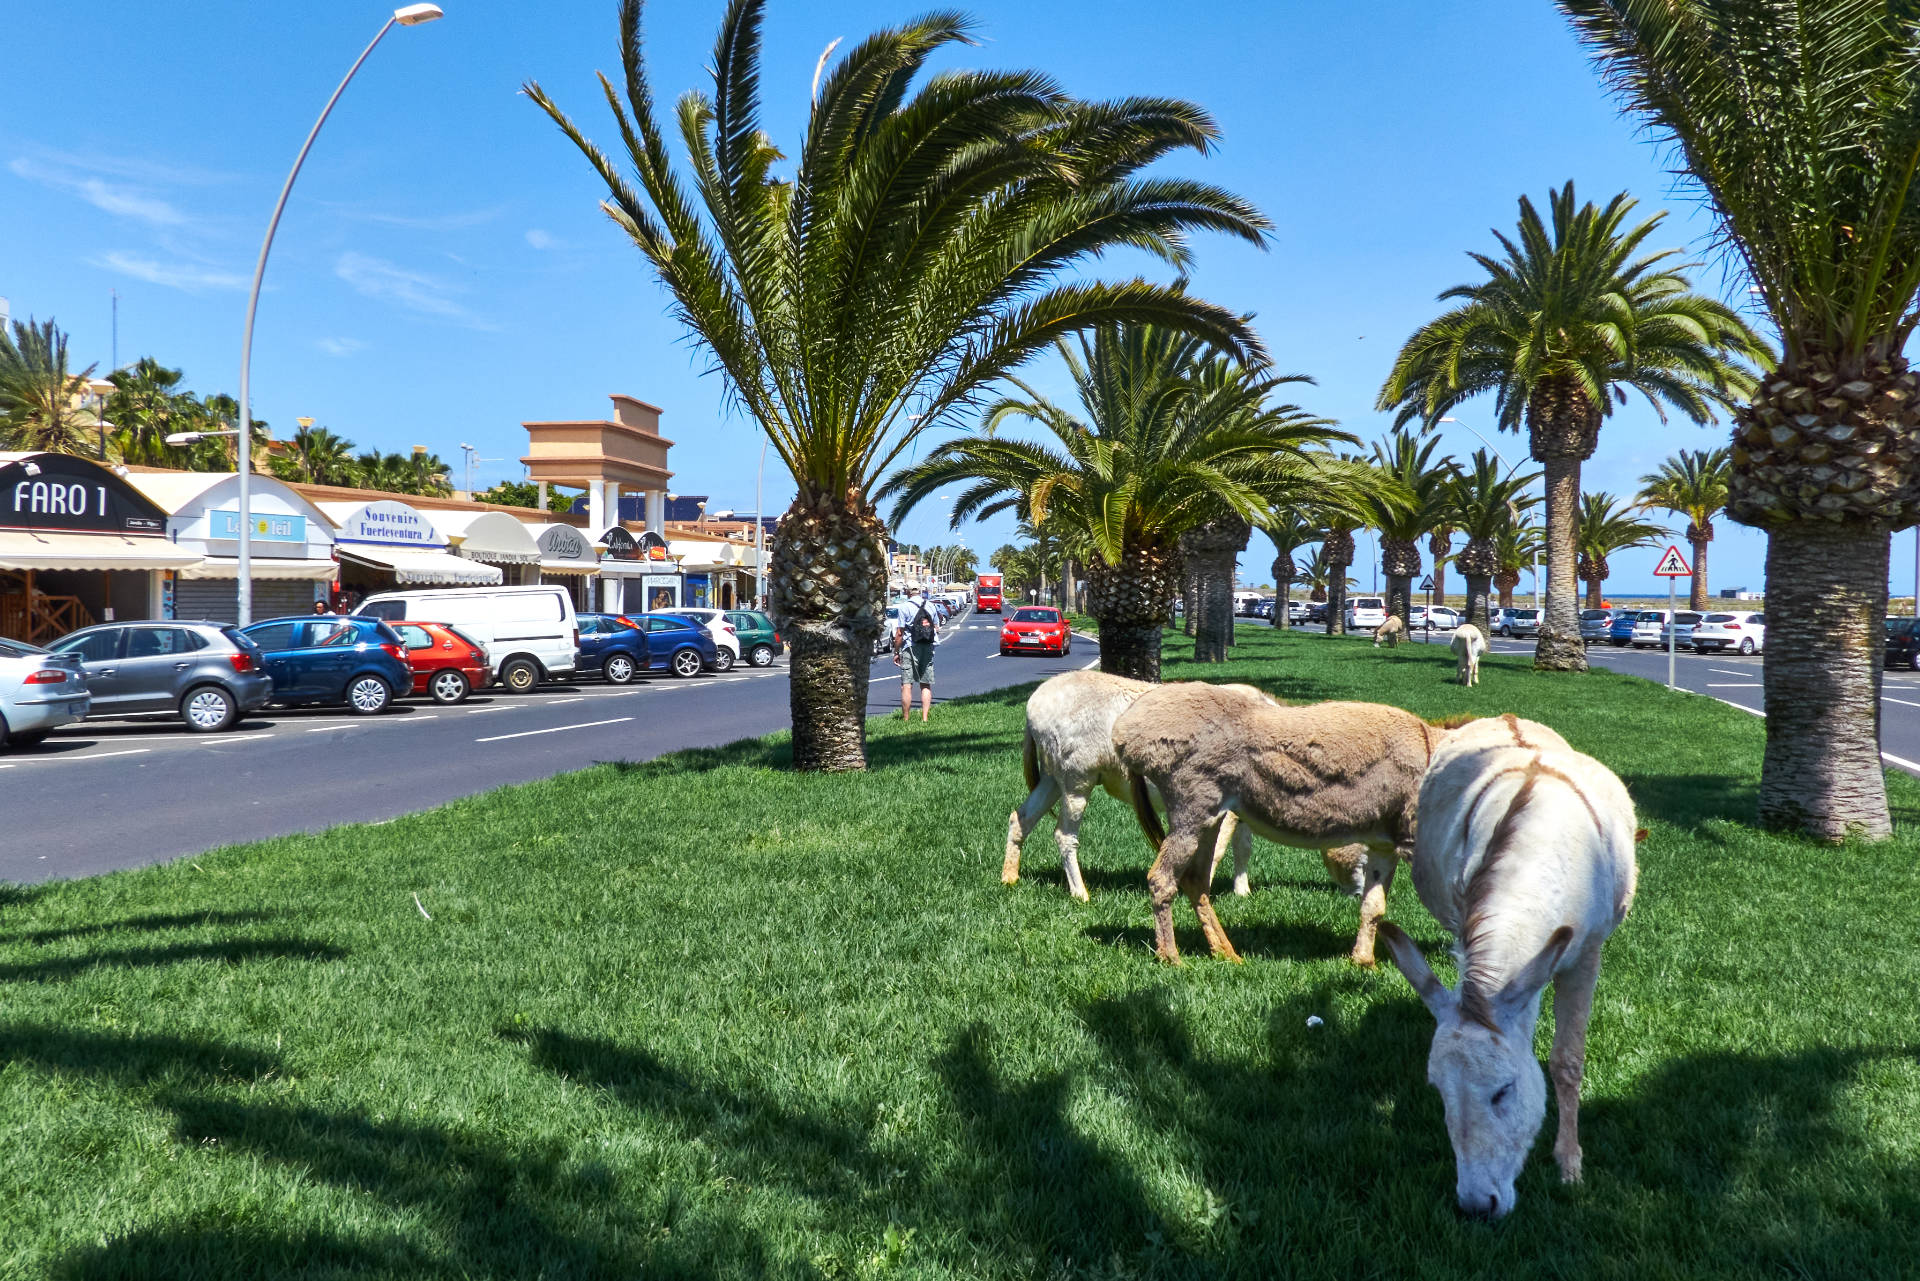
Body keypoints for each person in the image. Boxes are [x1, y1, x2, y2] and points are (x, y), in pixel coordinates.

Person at [894, 587, 938, 722]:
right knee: (925, 684)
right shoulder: (931, 605)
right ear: (920, 591)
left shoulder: (904, 607)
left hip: (910, 647)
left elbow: (900, 633)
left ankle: (906, 719)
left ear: (907, 592)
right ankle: (925, 719)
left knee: (906, 684)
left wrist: (896, 651)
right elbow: (935, 627)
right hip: (928, 646)